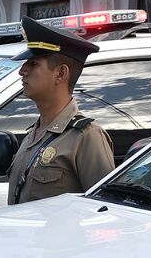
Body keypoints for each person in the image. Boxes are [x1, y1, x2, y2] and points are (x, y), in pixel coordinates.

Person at [7, 17, 114, 205]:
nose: (22, 71)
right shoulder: (34, 134)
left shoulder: (86, 137)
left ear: (61, 74)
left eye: (33, 63)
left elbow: (105, 210)